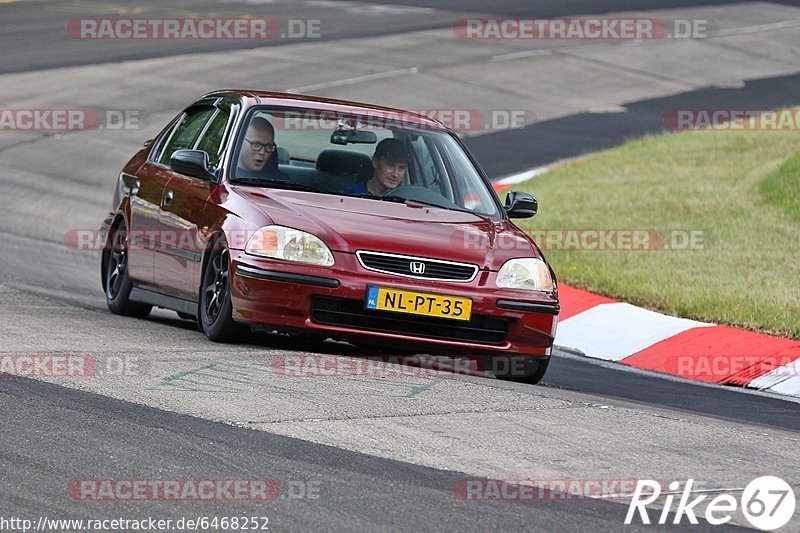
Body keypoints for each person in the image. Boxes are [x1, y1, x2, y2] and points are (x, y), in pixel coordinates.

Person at [342, 138, 410, 196]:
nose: (395, 174)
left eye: (402, 168)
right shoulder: (349, 196)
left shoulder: (406, 201)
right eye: (391, 165)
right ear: (375, 162)